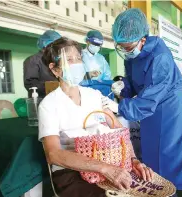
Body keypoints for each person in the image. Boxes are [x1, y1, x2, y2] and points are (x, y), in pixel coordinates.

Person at [39, 37, 153, 197]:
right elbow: (54, 154)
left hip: (110, 162)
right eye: (69, 60)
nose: (77, 64)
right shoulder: (49, 105)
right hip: (72, 172)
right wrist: (104, 168)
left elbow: (118, 130)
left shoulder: (94, 95)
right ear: (55, 69)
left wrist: (133, 160)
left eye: (78, 58)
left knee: (141, 190)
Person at [106, 8, 182, 194]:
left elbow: (149, 99)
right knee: (152, 158)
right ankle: (156, 190)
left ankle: (171, 191)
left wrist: (119, 106)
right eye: (122, 47)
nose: (125, 51)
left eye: (128, 47)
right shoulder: (132, 55)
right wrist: (122, 86)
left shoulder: (160, 57)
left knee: (171, 157)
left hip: (171, 111)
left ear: (143, 39)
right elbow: (133, 82)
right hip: (151, 113)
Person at [24, 30, 61, 98]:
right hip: (40, 100)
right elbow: (31, 85)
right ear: (46, 44)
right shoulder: (33, 60)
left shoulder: (55, 60)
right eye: (54, 46)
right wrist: (53, 86)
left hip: (56, 98)